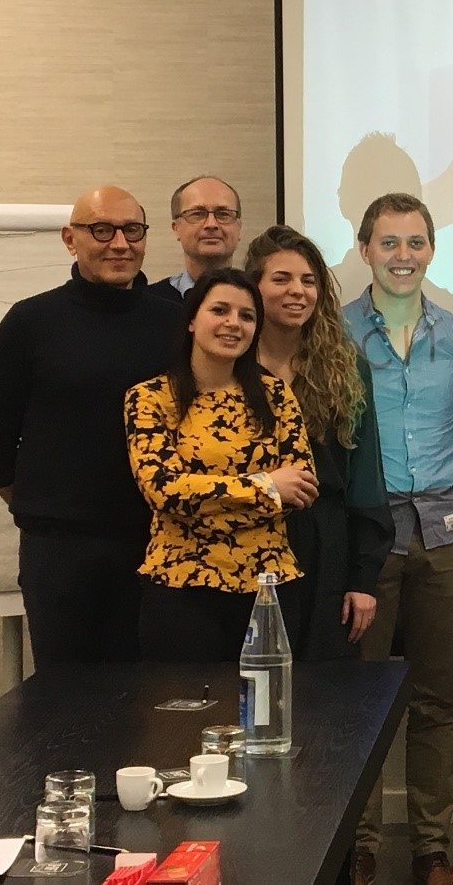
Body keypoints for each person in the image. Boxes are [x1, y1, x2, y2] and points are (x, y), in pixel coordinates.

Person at [343, 193, 453, 885]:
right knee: (360, 699)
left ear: (431, 249)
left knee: (437, 696)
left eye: (416, 242)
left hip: (445, 535)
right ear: (364, 246)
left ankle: (432, 841)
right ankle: (359, 838)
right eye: (390, 242)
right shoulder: (336, 334)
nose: (404, 255)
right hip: (370, 539)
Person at [0, 185, 179, 664]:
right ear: (71, 238)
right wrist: (31, 502)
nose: (120, 244)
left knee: (150, 703)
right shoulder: (31, 321)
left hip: (156, 543)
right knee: (63, 704)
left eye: (132, 230)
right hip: (61, 551)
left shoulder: (175, 324)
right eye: (102, 230)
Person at [125, 268, 318, 660]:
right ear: (193, 320)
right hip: (180, 589)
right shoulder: (149, 398)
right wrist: (265, 487)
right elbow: (162, 490)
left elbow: (300, 488)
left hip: (269, 589)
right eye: (220, 310)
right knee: (182, 717)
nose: (234, 323)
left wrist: (204, 497)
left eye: (247, 316)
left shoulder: (274, 395)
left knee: (266, 716)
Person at [246, 226, 394, 660]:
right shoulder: (228, 366)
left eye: (308, 281)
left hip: (324, 546)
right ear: (253, 287)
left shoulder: (347, 368)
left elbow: (365, 477)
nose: (298, 291)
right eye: (282, 279)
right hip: (243, 540)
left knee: (325, 689)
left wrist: (362, 580)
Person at [147, 175, 243, 301]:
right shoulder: (151, 302)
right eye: (197, 214)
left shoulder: (259, 300)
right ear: (176, 228)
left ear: (239, 228)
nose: (211, 224)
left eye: (223, 214)